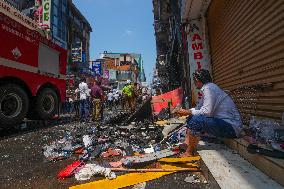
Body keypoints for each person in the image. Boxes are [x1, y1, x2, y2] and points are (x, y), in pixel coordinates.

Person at [176, 69, 242, 157]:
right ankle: (186, 144)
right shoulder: (208, 88)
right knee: (191, 117)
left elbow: (207, 112)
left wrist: (188, 111)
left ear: (197, 79)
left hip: (231, 128)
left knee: (195, 119)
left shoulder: (209, 88)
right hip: (227, 125)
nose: (195, 83)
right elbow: (198, 108)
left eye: (195, 80)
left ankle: (189, 152)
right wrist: (186, 112)